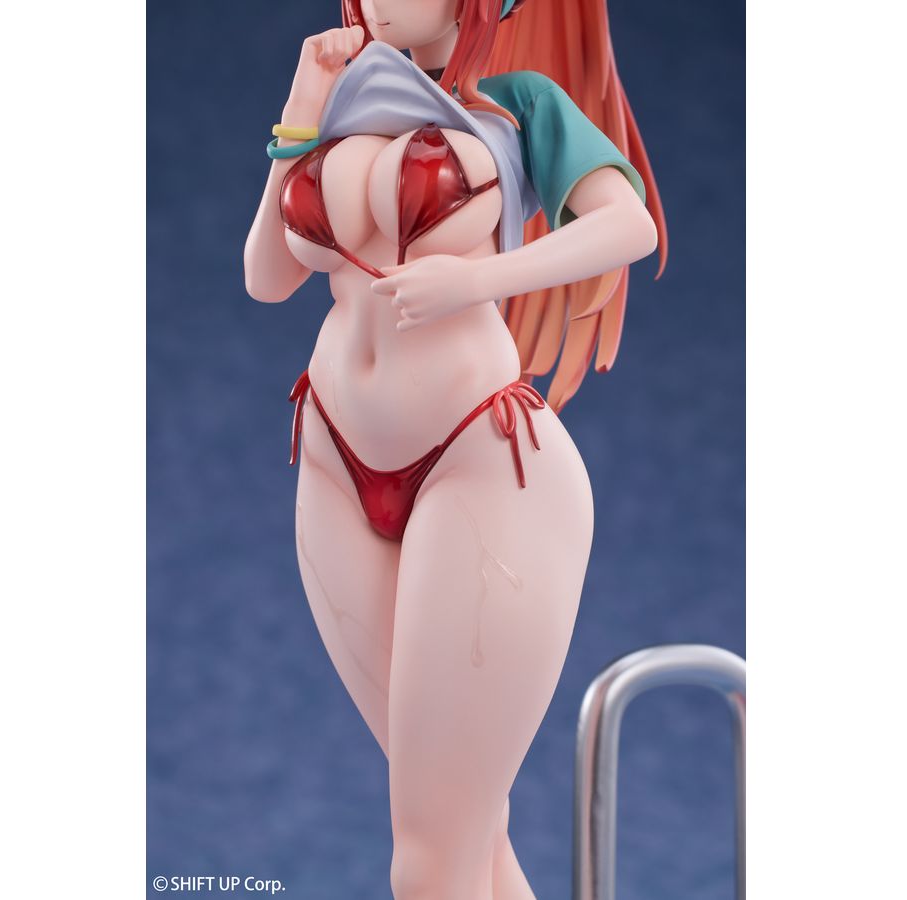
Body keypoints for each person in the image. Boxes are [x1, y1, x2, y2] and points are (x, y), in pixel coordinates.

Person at [243, 2, 666, 897]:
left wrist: (477, 279)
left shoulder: (521, 104)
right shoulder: (342, 98)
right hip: (332, 458)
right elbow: (267, 278)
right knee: (461, 831)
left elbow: (628, 226)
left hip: (482, 456)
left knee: (433, 854)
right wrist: (302, 104)